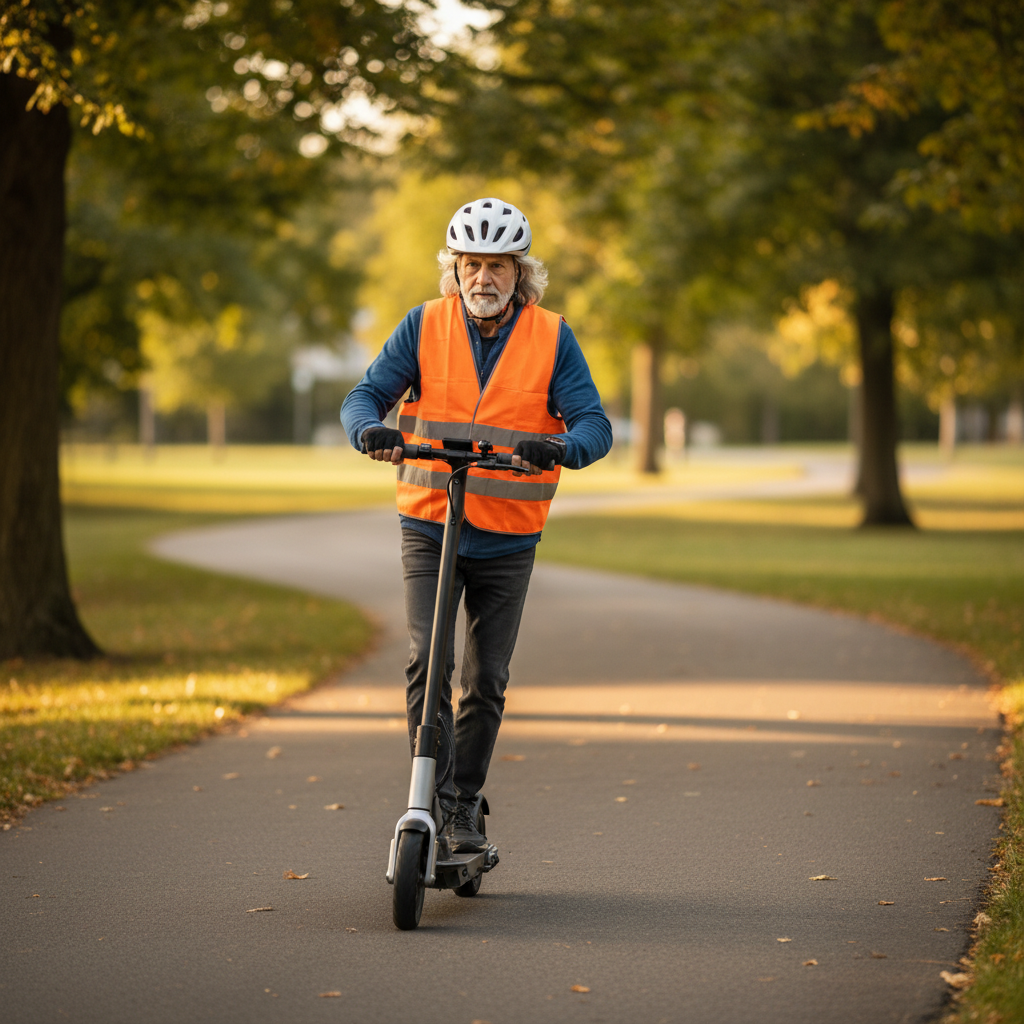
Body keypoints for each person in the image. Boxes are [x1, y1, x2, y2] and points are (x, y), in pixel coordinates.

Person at [341, 198, 611, 853]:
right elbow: (363, 397)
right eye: (470, 264)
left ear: (521, 275)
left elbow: (594, 427)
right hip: (430, 523)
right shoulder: (422, 326)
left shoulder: (552, 337)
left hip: (509, 535)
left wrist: (561, 447)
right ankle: (427, 800)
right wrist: (370, 431)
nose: (482, 278)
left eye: (497, 265)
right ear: (453, 269)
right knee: (426, 663)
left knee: (485, 679)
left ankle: (463, 803)